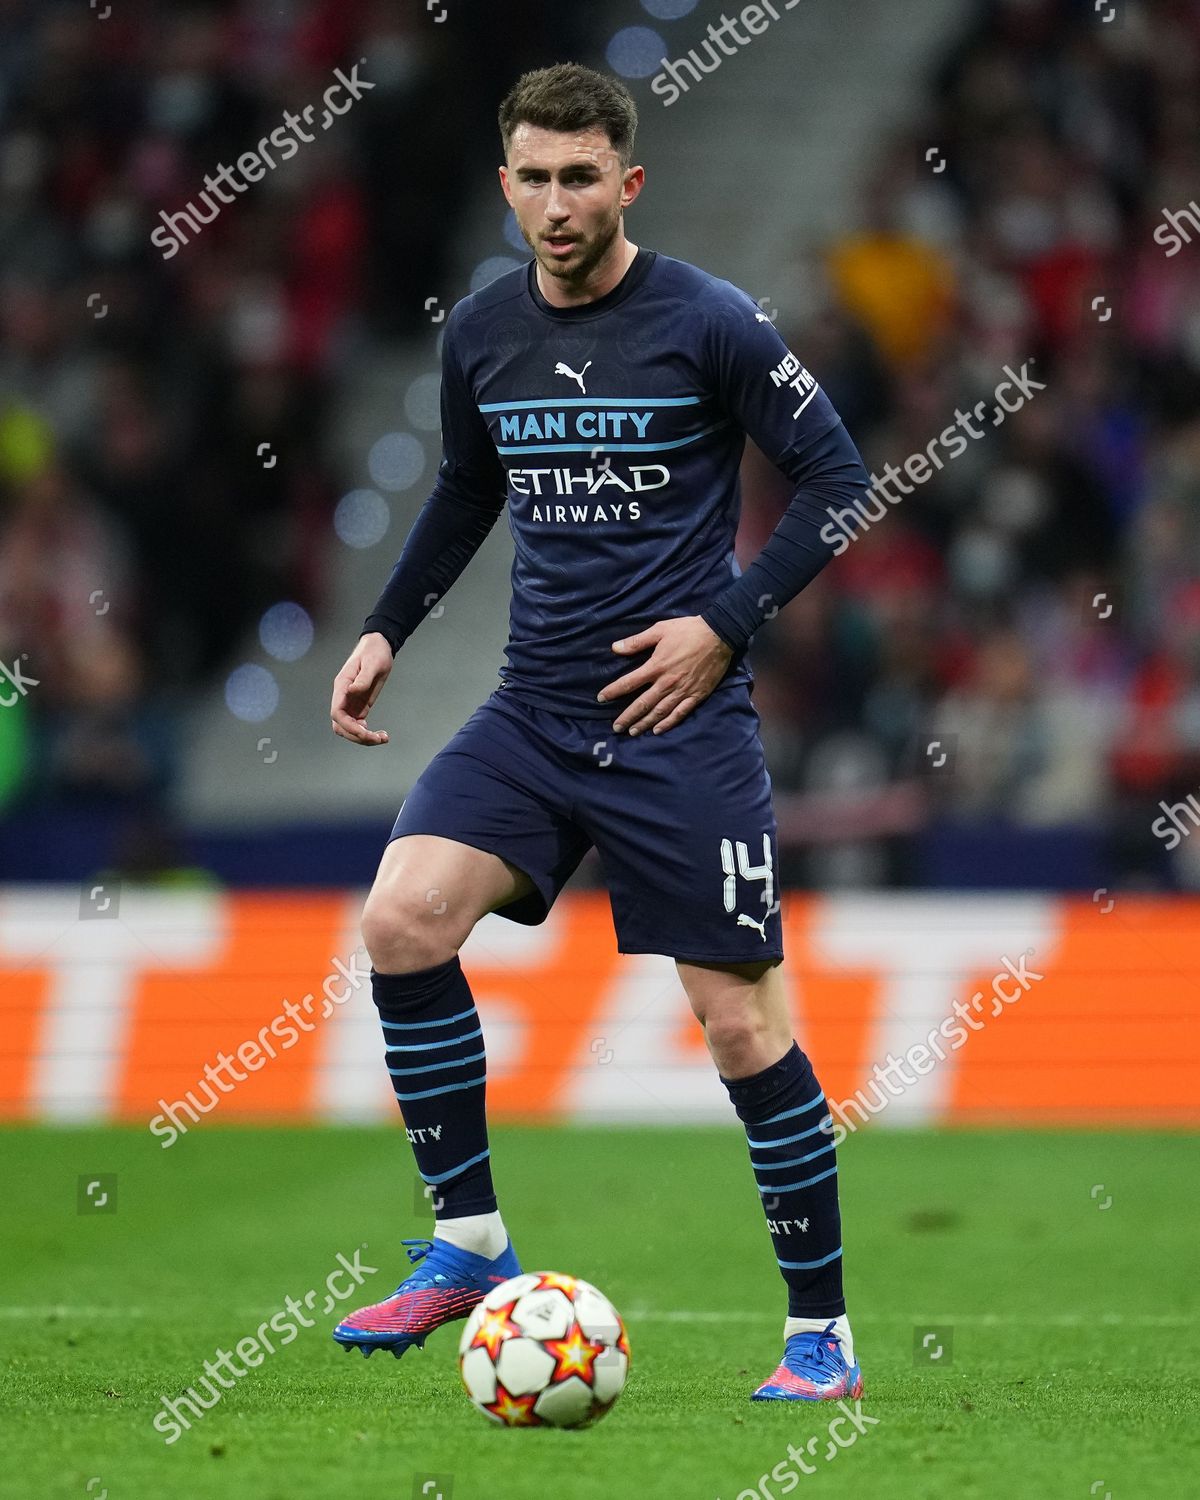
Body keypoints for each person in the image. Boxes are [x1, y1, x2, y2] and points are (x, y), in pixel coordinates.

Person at [328, 62, 868, 1403]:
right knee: (402, 919)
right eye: (535, 177)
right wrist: (387, 628)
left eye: (583, 177)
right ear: (506, 186)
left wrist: (725, 625)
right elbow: (463, 489)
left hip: (680, 720)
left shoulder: (712, 321)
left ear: (628, 182)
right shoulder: (482, 332)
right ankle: (466, 1244)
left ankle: (823, 1340)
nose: (558, 203)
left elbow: (840, 479)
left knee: (738, 1025)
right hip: (533, 709)